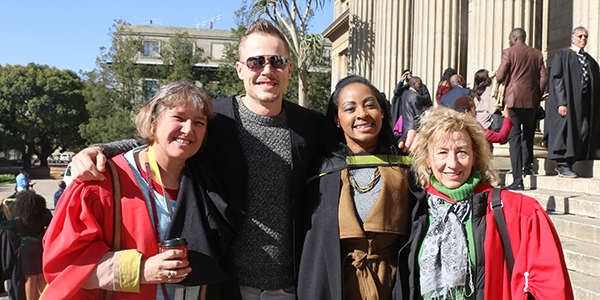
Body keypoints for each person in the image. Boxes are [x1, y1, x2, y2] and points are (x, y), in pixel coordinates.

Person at [42, 82, 236, 300]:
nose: (188, 129)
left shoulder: (208, 182)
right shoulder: (99, 181)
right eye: (179, 118)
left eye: (199, 122)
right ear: (153, 122)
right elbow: (63, 263)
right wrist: (139, 271)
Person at [406, 107, 573, 299]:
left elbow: (549, 286)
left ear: (475, 156)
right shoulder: (415, 209)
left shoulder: (517, 211)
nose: (452, 163)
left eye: (462, 152)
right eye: (442, 152)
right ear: (428, 158)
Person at [297, 75, 417, 300]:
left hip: (397, 285)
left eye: (370, 105)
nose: (362, 114)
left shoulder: (407, 165)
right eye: (350, 108)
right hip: (337, 285)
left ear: (382, 111)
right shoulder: (321, 172)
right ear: (337, 119)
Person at [496, 28, 548, 189]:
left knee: (514, 137)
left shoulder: (509, 52)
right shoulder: (537, 53)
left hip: (514, 99)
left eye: (510, 39)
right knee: (529, 135)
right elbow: (544, 77)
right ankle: (528, 167)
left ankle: (518, 179)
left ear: (514, 38)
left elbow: (499, 76)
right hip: (531, 101)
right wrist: (538, 95)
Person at [545, 26, 600, 178]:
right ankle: (563, 165)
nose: (583, 38)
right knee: (566, 131)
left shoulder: (589, 60)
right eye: (580, 36)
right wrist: (561, 103)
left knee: (584, 129)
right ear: (573, 38)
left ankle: (571, 160)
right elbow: (557, 79)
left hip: (582, 103)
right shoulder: (563, 54)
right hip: (567, 102)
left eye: (585, 36)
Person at [0, 190, 52, 300]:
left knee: (30, 278)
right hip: (42, 247)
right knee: (41, 277)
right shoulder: (45, 215)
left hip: (27, 249)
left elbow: (3, 225)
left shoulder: (20, 220)